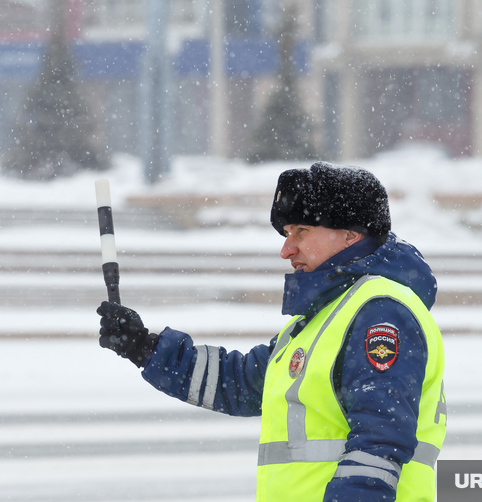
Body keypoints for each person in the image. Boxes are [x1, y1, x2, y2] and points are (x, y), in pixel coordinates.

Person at [97, 162, 447, 502]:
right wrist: (144, 347)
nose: (286, 249)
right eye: (286, 234)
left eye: (301, 232)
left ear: (350, 235)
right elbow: (242, 383)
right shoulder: (326, 315)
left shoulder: (379, 312)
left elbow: (379, 440)